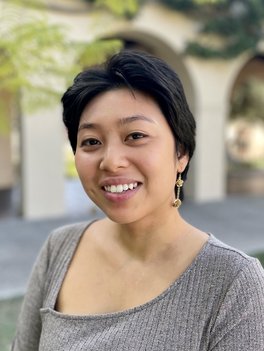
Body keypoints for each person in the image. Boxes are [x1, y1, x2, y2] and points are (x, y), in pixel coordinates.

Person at [12, 50, 264, 351]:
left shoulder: (233, 283)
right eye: (91, 142)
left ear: (181, 153)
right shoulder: (60, 248)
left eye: (135, 136)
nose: (111, 161)